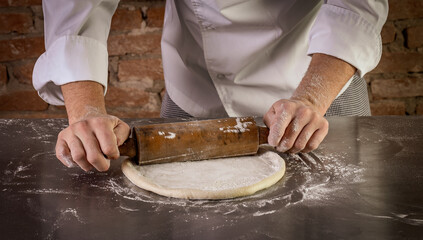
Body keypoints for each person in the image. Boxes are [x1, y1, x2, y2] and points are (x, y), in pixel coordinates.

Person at [33, 0, 388, 172]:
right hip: (197, 88)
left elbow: (357, 5)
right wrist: (86, 111)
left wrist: (312, 96)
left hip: (320, 84)